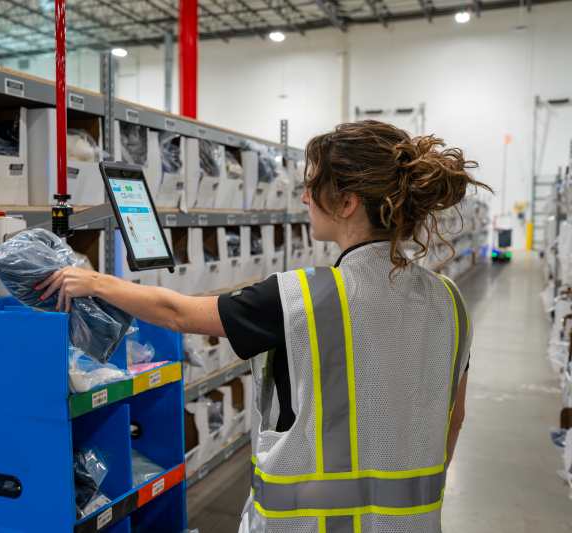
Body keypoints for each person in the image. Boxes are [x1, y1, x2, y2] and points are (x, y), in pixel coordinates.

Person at [37, 120, 490, 532]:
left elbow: (179, 313)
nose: (304, 197)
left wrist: (94, 281)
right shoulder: (449, 299)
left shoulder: (304, 297)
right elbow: (455, 417)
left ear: (348, 202)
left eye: (312, 186)